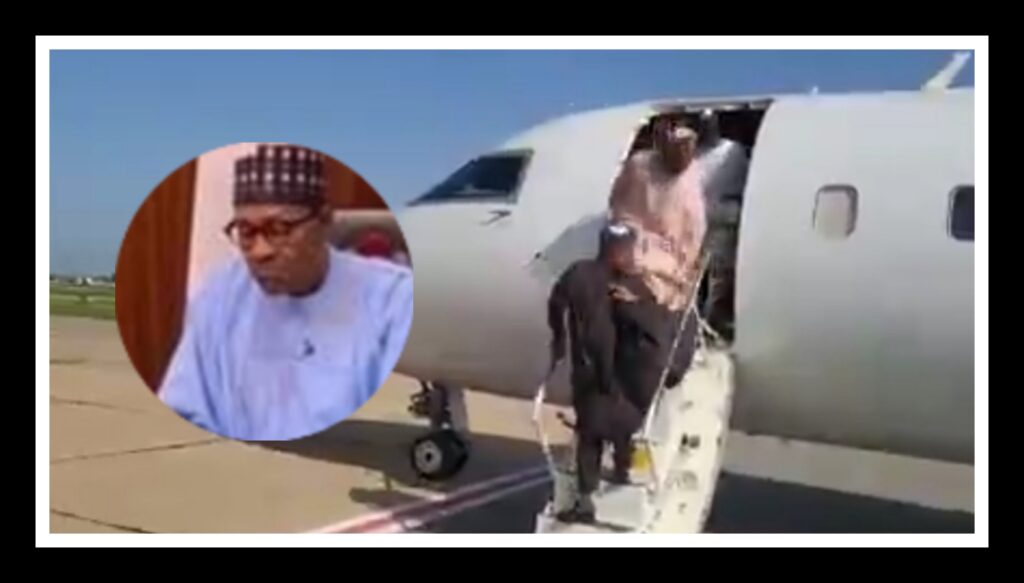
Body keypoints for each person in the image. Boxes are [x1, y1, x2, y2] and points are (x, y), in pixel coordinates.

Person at [158, 144, 414, 441]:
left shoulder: (393, 300)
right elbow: (183, 408)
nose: (260, 252)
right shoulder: (221, 293)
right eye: (246, 232)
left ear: (324, 223)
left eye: (279, 229)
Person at [547, 223, 643, 524]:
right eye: (627, 249)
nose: (631, 255)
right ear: (615, 250)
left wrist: (559, 340)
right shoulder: (627, 282)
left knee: (592, 433)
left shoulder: (579, 273)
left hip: (592, 369)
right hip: (610, 371)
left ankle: (591, 497)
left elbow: (555, 304)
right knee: (613, 428)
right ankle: (617, 479)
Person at [608, 116, 705, 387]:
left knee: (670, 350)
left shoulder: (688, 177)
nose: (683, 153)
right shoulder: (643, 167)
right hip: (642, 271)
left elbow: (694, 230)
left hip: (667, 277)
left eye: (688, 145)